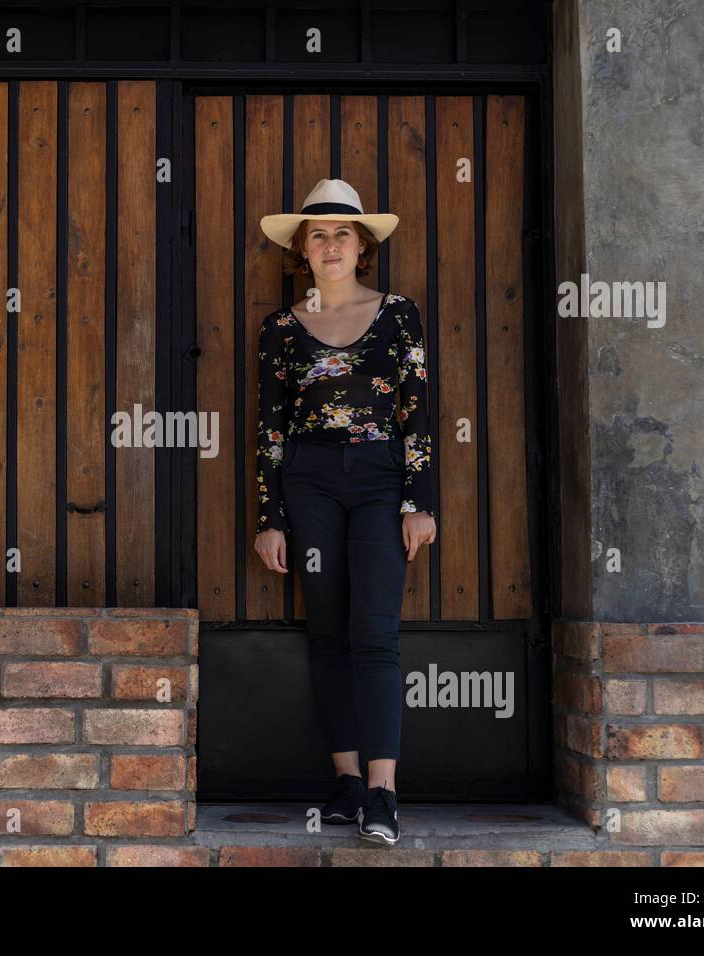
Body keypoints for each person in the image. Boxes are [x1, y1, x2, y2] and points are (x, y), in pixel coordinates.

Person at [253, 178, 437, 845]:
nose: (330, 244)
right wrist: (270, 518)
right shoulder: (280, 329)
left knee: (375, 633)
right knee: (327, 632)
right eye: (318, 234)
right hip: (309, 482)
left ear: (362, 247)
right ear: (302, 249)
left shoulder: (399, 315)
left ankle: (384, 794)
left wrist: (420, 502)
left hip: (383, 479)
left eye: (342, 234)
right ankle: (347, 783)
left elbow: (418, 412)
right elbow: (271, 428)